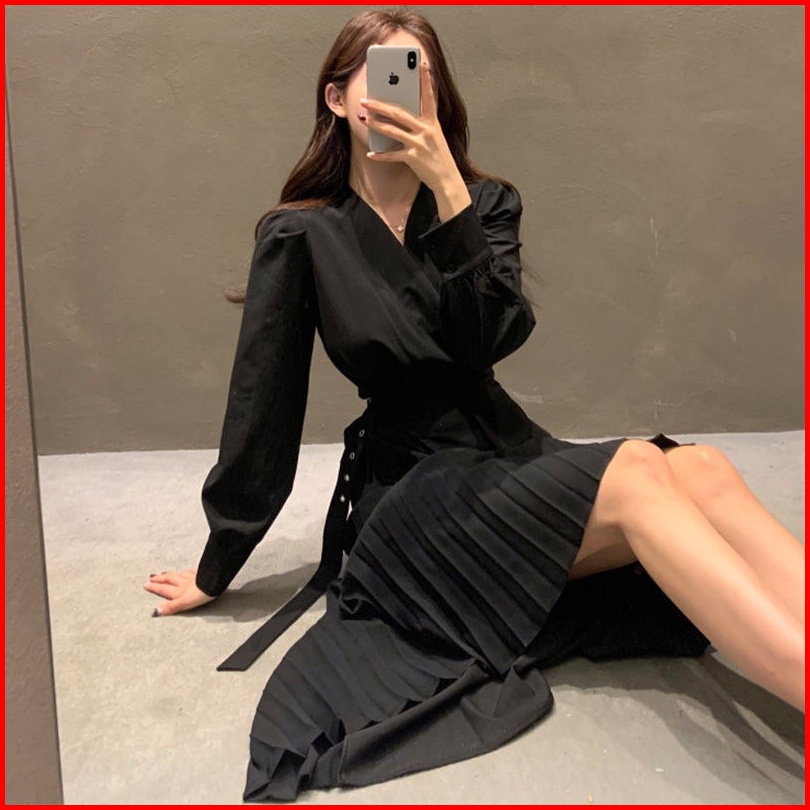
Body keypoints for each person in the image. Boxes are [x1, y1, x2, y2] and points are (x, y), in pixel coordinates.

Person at [145, 9, 805, 802]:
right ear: (337, 99)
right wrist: (220, 561)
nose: (402, 90)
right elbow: (264, 399)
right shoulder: (303, 235)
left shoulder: (483, 202)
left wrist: (450, 193)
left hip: (503, 449)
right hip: (412, 490)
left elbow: (494, 337)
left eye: (418, 75)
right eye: (383, 73)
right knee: (638, 471)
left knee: (701, 469)